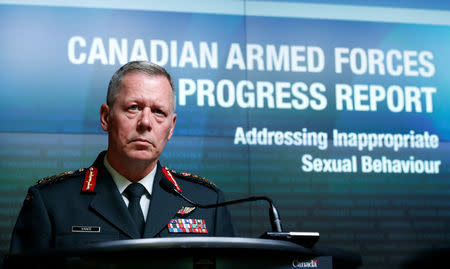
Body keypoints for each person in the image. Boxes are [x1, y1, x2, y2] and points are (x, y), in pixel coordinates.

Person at [9, 61, 236, 253]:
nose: (145, 122)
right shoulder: (51, 202)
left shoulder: (208, 203)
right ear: (106, 117)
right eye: (134, 107)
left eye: (158, 112)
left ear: (171, 127)